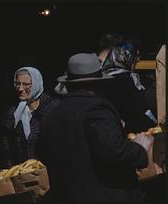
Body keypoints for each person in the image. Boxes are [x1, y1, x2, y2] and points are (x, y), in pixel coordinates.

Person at [38, 53, 152, 202]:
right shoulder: (96, 108)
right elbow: (113, 150)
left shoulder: (53, 115)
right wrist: (139, 148)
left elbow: (41, 152)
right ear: (99, 84)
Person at [1, 67, 59, 167]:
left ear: (36, 84)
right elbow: (8, 147)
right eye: (18, 84)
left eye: (26, 84)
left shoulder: (53, 109)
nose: (20, 88)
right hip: (23, 173)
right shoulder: (13, 113)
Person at [102, 40, 156, 133]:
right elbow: (135, 112)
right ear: (127, 56)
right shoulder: (124, 81)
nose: (138, 60)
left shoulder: (103, 78)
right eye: (136, 56)